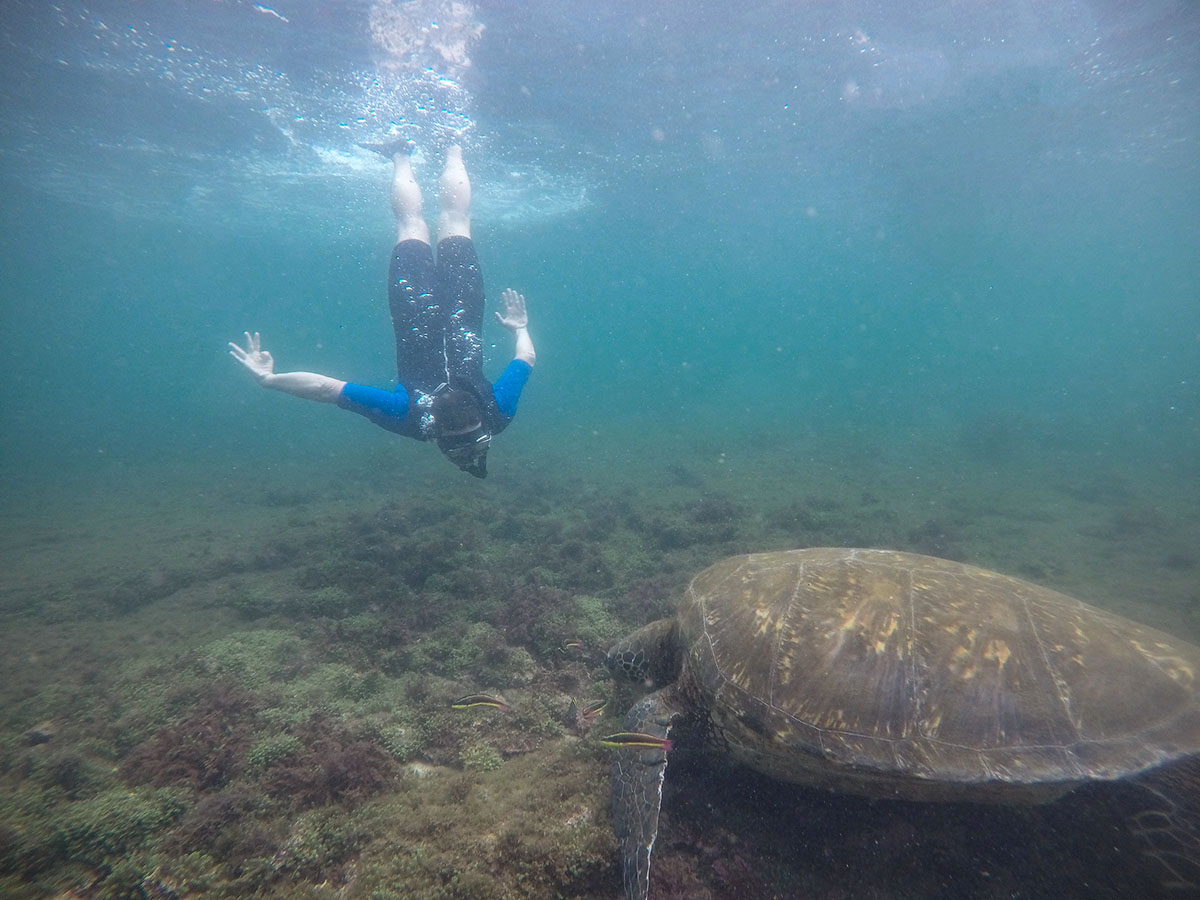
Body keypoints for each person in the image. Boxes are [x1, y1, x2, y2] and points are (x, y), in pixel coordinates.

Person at [230, 144, 535, 478]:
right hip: (413, 305)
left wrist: (520, 328)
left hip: (465, 303)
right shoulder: (409, 418)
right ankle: (402, 155)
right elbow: (328, 389)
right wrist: (270, 380)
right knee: (411, 225)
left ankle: (451, 146)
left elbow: (525, 360)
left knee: (453, 220)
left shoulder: (495, 413)